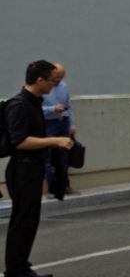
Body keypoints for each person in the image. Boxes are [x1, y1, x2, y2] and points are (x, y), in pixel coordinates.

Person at [4, 60, 73, 277]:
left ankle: (23, 267)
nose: (54, 85)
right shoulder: (19, 105)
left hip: (33, 167)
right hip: (22, 168)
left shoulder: (34, 103)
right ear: (39, 80)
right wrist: (55, 140)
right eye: (51, 81)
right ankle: (13, 274)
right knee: (21, 222)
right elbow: (19, 140)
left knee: (30, 222)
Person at [42, 63, 77, 199]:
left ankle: (64, 185)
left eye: (61, 77)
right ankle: (52, 188)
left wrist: (71, 125)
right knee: (49, 157)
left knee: (64, 155)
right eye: (56, 77)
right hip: (49, 123)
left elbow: (70, 105)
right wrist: (52, 109)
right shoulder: (44, 88)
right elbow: (36, 110)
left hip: (63, 122)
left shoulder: (64, 86)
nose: (58, 80)